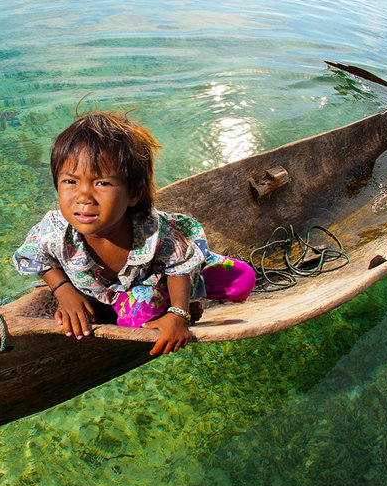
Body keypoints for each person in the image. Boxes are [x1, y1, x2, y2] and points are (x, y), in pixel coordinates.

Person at [13, 108, 255, 356]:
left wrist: (178, 314)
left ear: (133, 193)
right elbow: (35, 257)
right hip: (133, 294)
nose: (83, 196)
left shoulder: (154, 232)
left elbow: (179, 266)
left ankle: (174, 300)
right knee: (139, 316)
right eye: (70, 181)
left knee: (242, 279)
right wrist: (64, 292)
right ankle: (164, 302)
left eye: (102, 183)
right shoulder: (55, 231)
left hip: (165, 273)